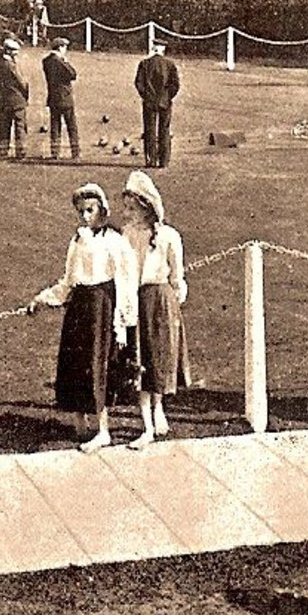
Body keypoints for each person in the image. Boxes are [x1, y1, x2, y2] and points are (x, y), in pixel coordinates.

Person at [27, 184, 138, 452]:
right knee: (74, 362)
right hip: (78, 307)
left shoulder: (115, 241)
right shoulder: (77, 240)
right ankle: (80, 423)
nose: (86, 216)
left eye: (90, 210)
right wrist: (41, 299)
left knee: (96, 365)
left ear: (102, 209)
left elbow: (125, 282)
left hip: (102, 307)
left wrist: (122, 324)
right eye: (81, 211)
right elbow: (68, 281)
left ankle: (102, 431)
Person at [119, 171, 192, 449]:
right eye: (126, 208)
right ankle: (146, 424)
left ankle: (158, 408)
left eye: (132, 208)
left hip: (160, 301)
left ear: (147, 207)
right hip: (136, 300)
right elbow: (125, 272)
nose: (127, 214)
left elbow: (177, 275)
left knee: (159, 358)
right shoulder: (126, 235)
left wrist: (175, 297)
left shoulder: (169, 236)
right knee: (141, 360)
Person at [134, 39, 182, 169]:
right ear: (163, 50)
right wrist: (168, 97)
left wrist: (146, 96)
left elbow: (138, 83)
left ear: (153, 49)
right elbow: (175, 85)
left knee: (149, 131)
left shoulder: (144, 64)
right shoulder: (169, 65)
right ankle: (164, 161)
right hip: (164, 102)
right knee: (164, 131)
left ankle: (151, 160)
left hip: (149, 102)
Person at [0, 39, 29, 159]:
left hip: (3, 99)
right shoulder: (12, 66)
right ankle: (20, 151)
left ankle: (3, 151)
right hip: (16, 99)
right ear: (10, 52)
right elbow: (21, 82)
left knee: (4, 126)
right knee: (19, 126)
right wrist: (26, 94)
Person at [41, 38, 80, 160]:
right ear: (60, 48)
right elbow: (72, 74)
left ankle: (55, 152)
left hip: (53, 97)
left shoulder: (46, 61)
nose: (66, 50)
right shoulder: (59, 61)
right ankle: (75, 152)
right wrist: (66, 62)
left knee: (55, 126)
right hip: (65, 97)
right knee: (71, 126)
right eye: (64, 47)